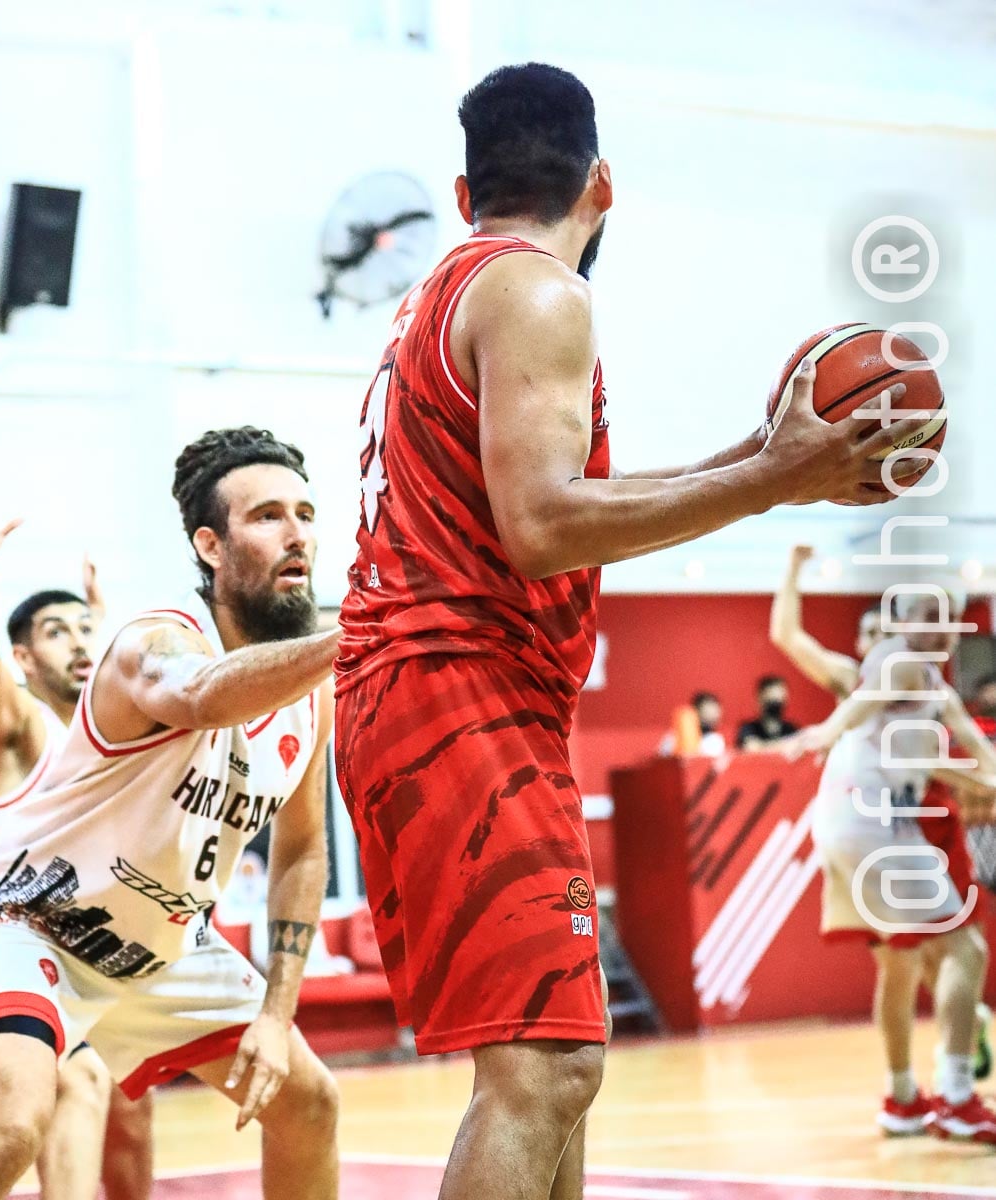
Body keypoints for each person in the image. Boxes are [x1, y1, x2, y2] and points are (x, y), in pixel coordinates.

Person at [332, 62, 933, 1200]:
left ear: (463, 195)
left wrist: (764, 466)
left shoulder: (445, 293)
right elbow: (544, 527)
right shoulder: (537, 292)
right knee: (543, 1069)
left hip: (426, 692)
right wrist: (769, 480)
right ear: (601, 184)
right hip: (456, 688)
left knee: (559, 1058)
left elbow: (552, 501)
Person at [0, 427, 342, 1200]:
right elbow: (204, 695)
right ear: (210, 545)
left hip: (161, 952)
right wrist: (362, 637)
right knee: (11, 1128)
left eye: (306, 514)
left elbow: (304, 848)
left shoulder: (311, 694)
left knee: (310, 1105)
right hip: (31, 918)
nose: (297, 534)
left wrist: (275, 1015)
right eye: (268, 516)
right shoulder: (153, 640)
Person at [771, 545, 993, 1097]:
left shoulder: (929, 685)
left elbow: (964, 747)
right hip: (886, 819)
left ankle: (908, 1089)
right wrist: (793, 568)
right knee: (948, 953)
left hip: (915, 818)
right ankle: (956, 1072)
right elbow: (790, 638)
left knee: (915, 959)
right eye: (871, 635)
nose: (877, 644)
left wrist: (984, 778)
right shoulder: (861, 677)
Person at [0, 524, 154, 1200]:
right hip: (7, 939)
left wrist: (97, 626)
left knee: (128, 1107)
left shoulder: (110, 733)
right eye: (58, 632)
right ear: (21, 658)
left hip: (80, 947)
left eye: (87, 629)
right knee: (53, 1098)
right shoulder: (23, 729)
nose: (80, 642)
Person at [735, 675, 798, 750]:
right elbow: (751, 747)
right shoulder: (748, 729)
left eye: (780, 700)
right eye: (771, 700)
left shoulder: (791, 729)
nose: (776, 705)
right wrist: (786, 744)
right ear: (760, 701)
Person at [659, 692, 726, 756]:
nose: (713, 716)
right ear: (694, 712)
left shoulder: (715, 740)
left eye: (715, 713)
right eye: (707, 712)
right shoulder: (672, 738)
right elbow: (662, 758)